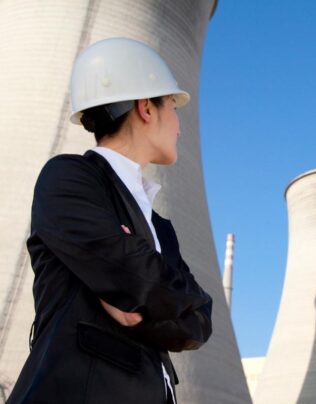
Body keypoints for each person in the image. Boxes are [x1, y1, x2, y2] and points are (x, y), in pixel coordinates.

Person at [7, 37, 213, 404]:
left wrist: (146, 311)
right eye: (174, 107)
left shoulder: (160, 225)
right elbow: (135, 275)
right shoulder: (69, 178)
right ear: (146, 107)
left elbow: (202, 318)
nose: (180, 127)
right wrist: (164, 303)